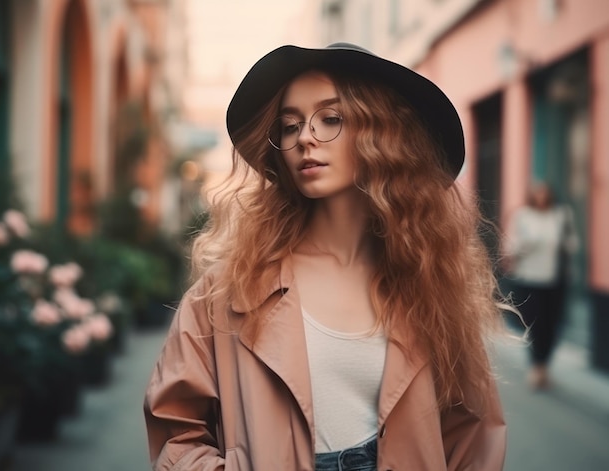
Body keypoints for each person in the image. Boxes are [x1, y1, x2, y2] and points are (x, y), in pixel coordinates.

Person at [144, 43, 508, 470]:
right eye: (290, 125)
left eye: (330, 119)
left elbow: (472, 436)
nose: (305, 138)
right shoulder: (230, 289)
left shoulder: (431, 284)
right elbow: (175, 428)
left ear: (381, 135)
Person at [504, 181, 578, 390]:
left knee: (552, 325)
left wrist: (566, 245)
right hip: (529, 280)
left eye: (545, 192)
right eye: (537, 193)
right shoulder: (522, 216)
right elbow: (510, 247)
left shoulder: (561, 215)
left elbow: (572, 243)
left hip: (555, 280)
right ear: (532, 195)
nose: (541, 196)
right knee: (535, 324)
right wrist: (526, 243)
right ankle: (536, 366)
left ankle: (544, 364)